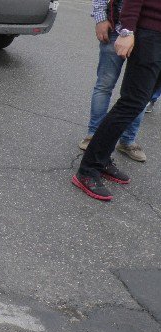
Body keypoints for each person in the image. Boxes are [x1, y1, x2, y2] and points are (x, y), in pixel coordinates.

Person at [73, 0, 161, 201]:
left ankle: (102, 160)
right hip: (150, 33)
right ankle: (88, 169)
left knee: (141, 99)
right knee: (132, 102)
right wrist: (127, 30)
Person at [80, 0, 147, 162]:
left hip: (148, 35)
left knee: (140, 93)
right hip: (116, 29)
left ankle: (127, 141)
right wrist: (100, 19)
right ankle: (93, 135)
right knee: (104, 85)